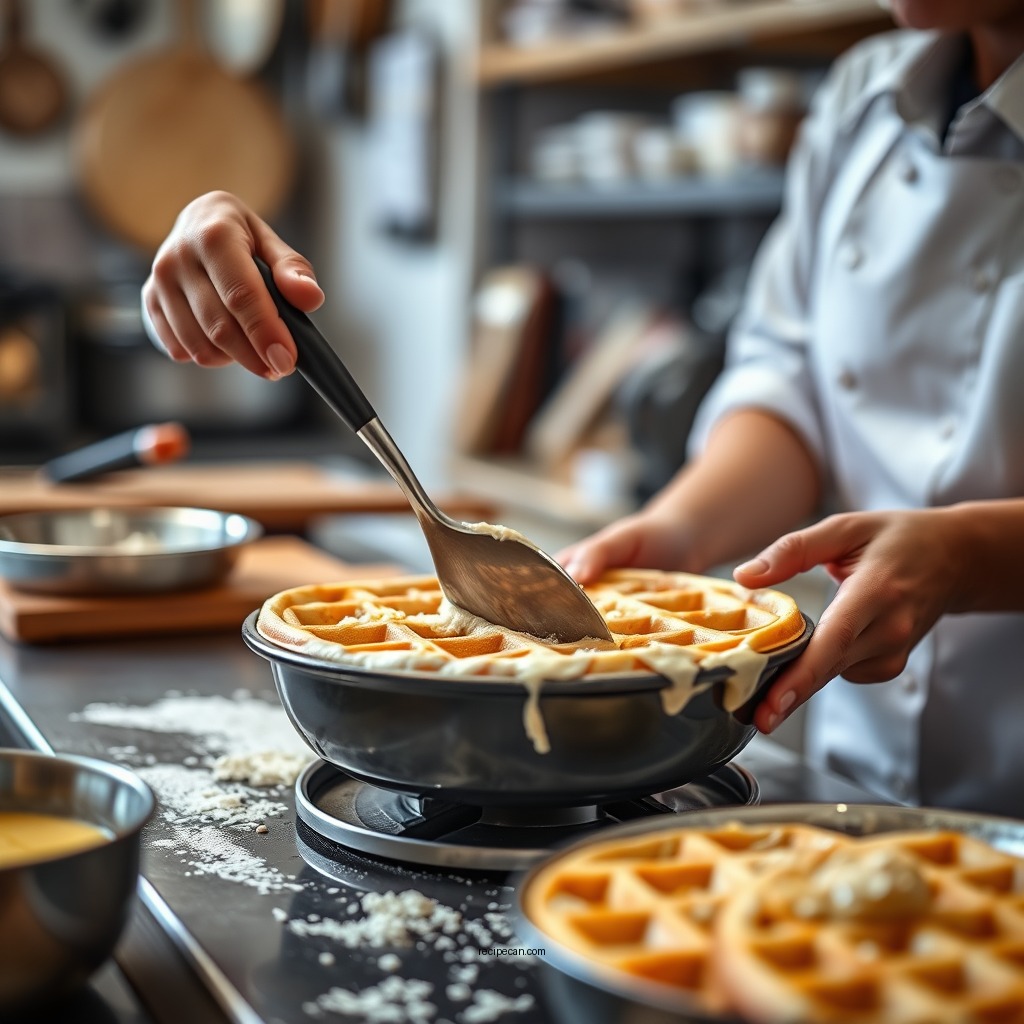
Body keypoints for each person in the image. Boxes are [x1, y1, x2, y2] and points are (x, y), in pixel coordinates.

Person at [143, 0, 1024, 815]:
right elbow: (789, 384)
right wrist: (676, 531)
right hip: (855, 772)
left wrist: (971, 555)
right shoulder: (863, 95)